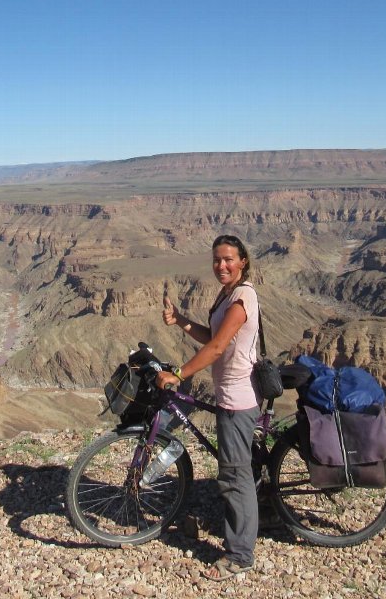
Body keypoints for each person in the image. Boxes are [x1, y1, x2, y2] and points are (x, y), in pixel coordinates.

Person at [155, 234, 261, 581]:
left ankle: (240, 555)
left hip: (238, 398)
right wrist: (182, 321)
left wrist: (180, 374)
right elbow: (209, 335)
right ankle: (264, 512)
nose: (222, 266)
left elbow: (217, 348)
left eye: (229, 259)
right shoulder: (227, 293)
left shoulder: (242, 297)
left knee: (234, 476)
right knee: (238, 468)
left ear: (243, 260)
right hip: (229, 393)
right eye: (217, 260)